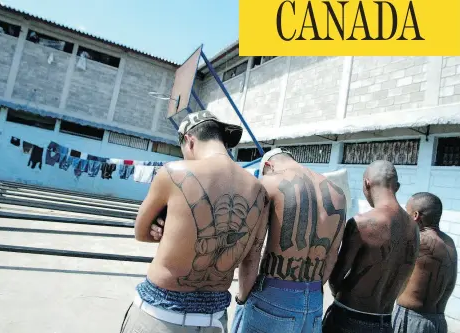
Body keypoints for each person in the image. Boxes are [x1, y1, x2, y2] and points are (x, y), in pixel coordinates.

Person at [120, 110, 271, 333]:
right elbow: (251, 259)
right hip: (214, 320)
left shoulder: (173, 173)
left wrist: (162, 229)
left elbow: (140, 232)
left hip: (160, 315)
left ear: (189, 141)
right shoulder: (259, 190)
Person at [231, 148, 348, 333]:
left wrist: (242, 297)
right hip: (314, 300)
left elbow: (253, 252)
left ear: (268, 166)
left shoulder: (269, 182)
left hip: (274, 295)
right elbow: (332, 255)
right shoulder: (337, 192)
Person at [323, 160, 420, 333]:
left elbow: (336, 277)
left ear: (366, 183)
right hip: (385, 322)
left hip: (349, 320)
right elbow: (404, 278)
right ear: (396, 187)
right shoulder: (414, 228)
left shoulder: (362, 223)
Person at [393, 192, 457, 333]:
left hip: (412, 321)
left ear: (415, 215)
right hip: (439, 322)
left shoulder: (417, 240)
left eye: (406, 212)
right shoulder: (449, 242)